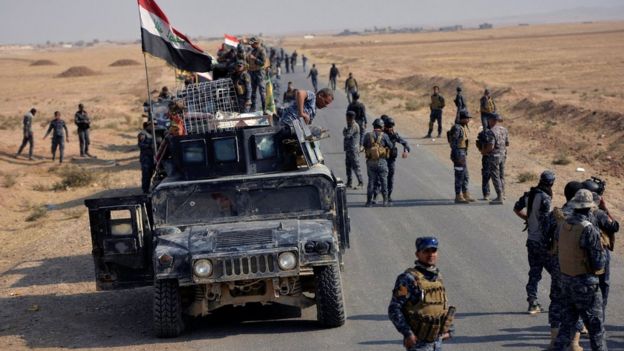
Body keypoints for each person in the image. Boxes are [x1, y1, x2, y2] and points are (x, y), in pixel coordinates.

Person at [552, 189, 607, 351]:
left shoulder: (563, 225)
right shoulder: (588, 228)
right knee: (596, 329)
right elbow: (598, 263)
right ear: (590, 208)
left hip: (566, 281)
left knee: (566, 325)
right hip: (585, 284)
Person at [388, 236, 454, 351]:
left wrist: (448, 329)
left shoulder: (437, 278)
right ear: (417, 254)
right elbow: (394, 308)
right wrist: (407, 333)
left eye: (433, 251)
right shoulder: (407, 279)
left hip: (436, 343)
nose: (430, 254)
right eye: (426, 251)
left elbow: (440, 307)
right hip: (419, 344)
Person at [513, 170, 556, 314]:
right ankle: (556, 303)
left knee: (534, 272)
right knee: (557, 272)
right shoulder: (545, 198)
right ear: (551, 183)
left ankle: (532, 302)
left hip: (531, 240)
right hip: (543, 242)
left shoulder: (529, 194)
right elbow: (545, 223)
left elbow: (517, 208)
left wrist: (529, 219)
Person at [581, 179, 619, 323]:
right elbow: (614, 226)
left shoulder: (574, 211)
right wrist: (605, 208)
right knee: (603, 286)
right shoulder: (599, 214)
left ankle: (582, 322)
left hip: (581, 254)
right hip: (599, 255)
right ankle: (599, 320)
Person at [363, 118, 392, 207]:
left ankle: (368, 202)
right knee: (384, 181)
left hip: (370, 162)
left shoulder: (368, 135)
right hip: (382, 161)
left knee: (371, 182)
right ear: (382, 126)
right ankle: (385, 201)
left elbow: (364, 145)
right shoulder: (385, 136)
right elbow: (390, 145)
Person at [482, 113, 509, 204]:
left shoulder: (491, 131)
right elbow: (507, 143)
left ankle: (499, 196)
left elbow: (491, 146)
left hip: (494, 156)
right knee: (501, 175)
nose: (487, 122)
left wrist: (484, 151)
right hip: (503, 154)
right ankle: (503, 194)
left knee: (495, 175)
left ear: (492, 120)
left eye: (488, 120)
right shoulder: (504, 130)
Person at [382, 116, 410, 203]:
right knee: (381, 178)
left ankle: (388, 196)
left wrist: (405, 151)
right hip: (382, 159)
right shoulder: (381, 135)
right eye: (389, 126)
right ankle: (378, 195)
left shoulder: (394, 135)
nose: (391, 128)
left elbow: (405, 143)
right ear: (385, 126)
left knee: (390, 177)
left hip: (391, 160)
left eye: (392, 127)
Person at [449, 109, 474, 203]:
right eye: (467, 118)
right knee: (459, 175)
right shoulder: (457, 128)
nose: (468, 120)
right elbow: (453, 143)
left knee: (465, 175)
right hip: (458, 154)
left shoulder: (462, 127)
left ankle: (465, 193)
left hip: (462, 153)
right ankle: (458, 195)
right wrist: (455, 156)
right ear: (463, 119)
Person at [246, 37, 267, 112]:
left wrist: (254, 58)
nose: (251, 46)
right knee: (253, 92)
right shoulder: (252, 51)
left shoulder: (262, 50)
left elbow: (262, 63)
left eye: (252, 44)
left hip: (259, 73)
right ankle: (253, 109)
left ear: (256, 43)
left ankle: (264, 109)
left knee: (262, 92)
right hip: (252, 72)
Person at [343, 111, 363, 189]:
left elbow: (347, 135)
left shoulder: (354, 126)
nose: (346, 119)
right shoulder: (350, 125)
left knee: (356, 166)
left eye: (347, 117)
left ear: (349, 117)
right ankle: (349, 182)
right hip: (349, 149)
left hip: (353, 150)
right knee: (348, 166)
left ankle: (361, 183)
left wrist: (344, 131)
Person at [138, 122, 155, 194]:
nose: (153, 126)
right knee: (146, 175)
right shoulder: (143, 134)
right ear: (147, 126)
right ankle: (145, 191)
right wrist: (150, 145)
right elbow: (141, 145)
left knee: (151, 174)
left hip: (152, 157)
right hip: (146, 158)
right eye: (151, 125)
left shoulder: (153, 133)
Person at [475, 128, 492, 200]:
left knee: (487, 175)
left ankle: (487, 194)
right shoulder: (486, 133)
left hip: (488, 156)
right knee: (487, 175)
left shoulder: (488, 132)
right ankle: (487, 194)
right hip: (489, 156)